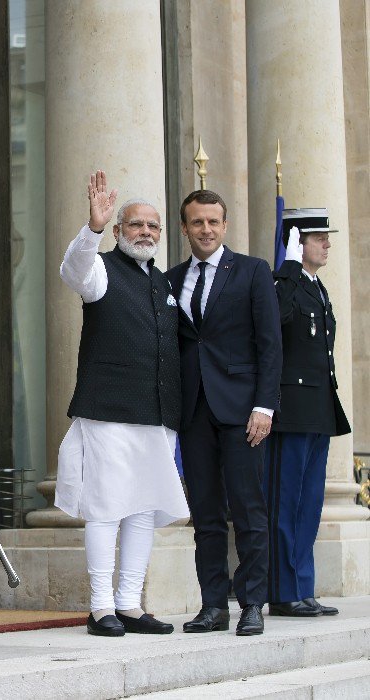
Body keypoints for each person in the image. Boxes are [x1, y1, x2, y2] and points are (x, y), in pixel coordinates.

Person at [56, 171, 188, 638]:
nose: (145, 233)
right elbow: (73, 270)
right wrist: (91, 228)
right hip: (109, 410)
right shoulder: (100, 269)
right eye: (135, 225)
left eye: (153, 227)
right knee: (107, 507)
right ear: (118, 231)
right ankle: (100, 608)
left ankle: (130, 604)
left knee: (144, 510)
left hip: (157, 414)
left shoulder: (164, 283)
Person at [167, 190, 282, 636]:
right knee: (207, 514)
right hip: (194, 411)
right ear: (185, 228)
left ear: (225, 225)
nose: (206, 230)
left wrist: (264, 406)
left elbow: (270, 345)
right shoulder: (172, 279)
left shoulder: (252, 271)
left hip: (242, 412)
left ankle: (252, 602)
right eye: (197, 223)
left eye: (214, 221)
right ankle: (213, 605)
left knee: (248, 509)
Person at [265, 212, 350, 617]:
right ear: (297, 240)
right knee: (287, 502)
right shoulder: (284, 285)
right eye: (318, 238)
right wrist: (291, 265)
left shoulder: (316, 287)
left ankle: (303, 586)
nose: (327, 244)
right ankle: (283, 591)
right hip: (291, 411)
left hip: (317, 410)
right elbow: (272, 331)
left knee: (310, 503)